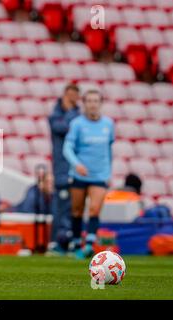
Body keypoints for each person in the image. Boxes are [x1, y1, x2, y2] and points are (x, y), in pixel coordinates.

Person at [63, 89, 115, 259]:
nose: (93, 104)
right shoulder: (77, 124)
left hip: (100, 175)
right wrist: (76, 164)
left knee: (94, 209)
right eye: (89, 101)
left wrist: (108, 171)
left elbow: (108, 149)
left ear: (100, 104)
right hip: (79, 175)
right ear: (84, 104)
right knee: (77, 211)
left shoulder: (108, 124)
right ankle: (77, 242)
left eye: (96, 100)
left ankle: (89, 245)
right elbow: (67, 147)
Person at [47, 83, 80, 254]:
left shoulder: (78, 116)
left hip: (77, 168)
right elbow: (62, 128)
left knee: (74, 208)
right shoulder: (56, 116)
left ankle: (71, 242)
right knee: (61, 208)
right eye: (70, 96)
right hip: (62, 169)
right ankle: (57, 242)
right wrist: (70, 113)